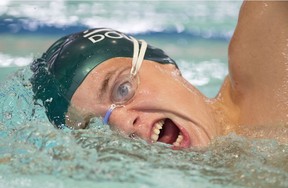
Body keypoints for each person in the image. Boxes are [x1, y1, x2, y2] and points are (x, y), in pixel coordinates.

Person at [30, 0, 288, 149]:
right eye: (97, 125)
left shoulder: (266, 60)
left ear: (166, 65)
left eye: (122, 89)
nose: (121, 123)